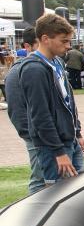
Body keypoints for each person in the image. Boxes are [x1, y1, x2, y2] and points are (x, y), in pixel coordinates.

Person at [20, 14, 84, 188]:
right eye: (63, 41)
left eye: (69, 41)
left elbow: (68, 102)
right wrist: (58, 152)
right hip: (53, 147)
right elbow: (40, 115)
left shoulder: (57, 62)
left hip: (69, 139)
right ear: (45, 39)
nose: (68, 46)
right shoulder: (33, 69)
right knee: (57, 197)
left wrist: (77, 133)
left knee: (80, 191)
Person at [4, 27, 45, 193]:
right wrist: (30, 135)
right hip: (36, 138)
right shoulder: (16, 72)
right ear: (27, 46)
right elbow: (16, 110)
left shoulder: (49, 66)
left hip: (54, 136)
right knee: (39, 181)